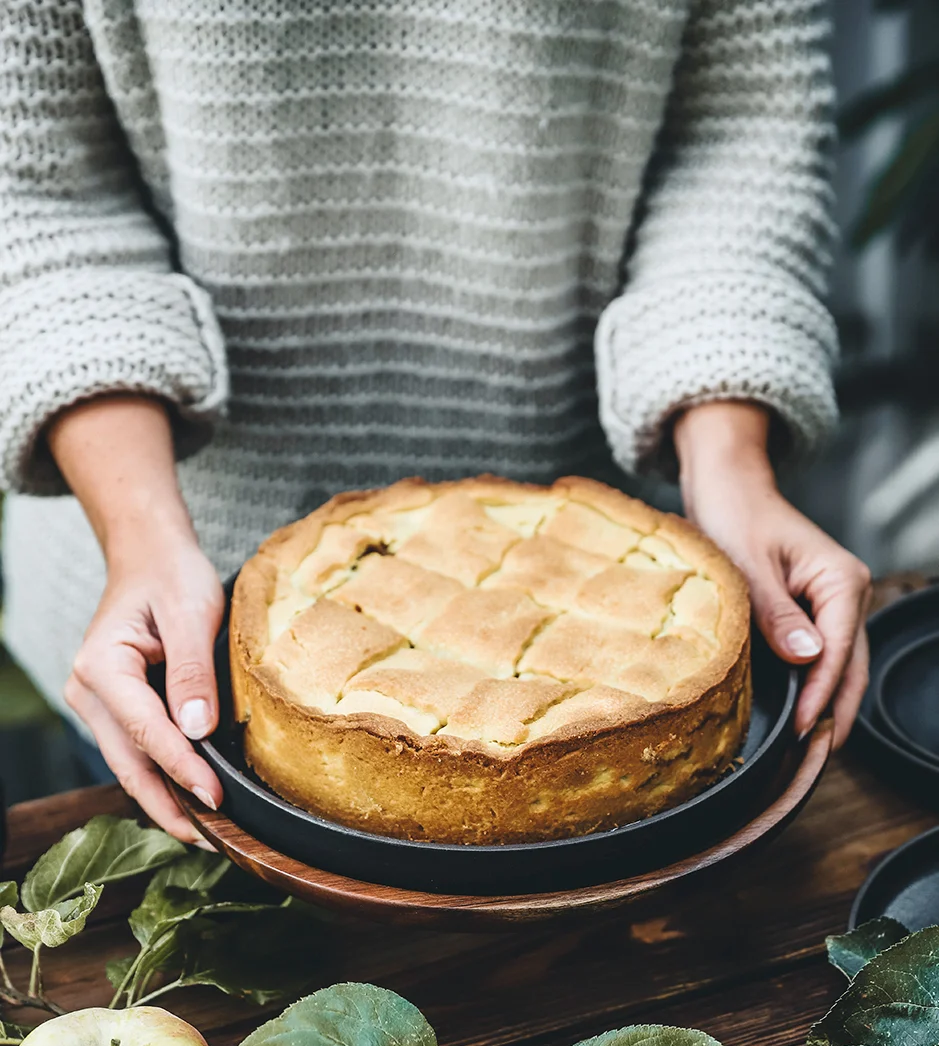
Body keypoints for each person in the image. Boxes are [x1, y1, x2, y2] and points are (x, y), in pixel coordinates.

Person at [0, 1, 870, 846]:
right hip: (175, 627)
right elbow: (41, 192)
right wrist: (139, 530)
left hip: (624, 558)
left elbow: (739, 133)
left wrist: (729, 468)